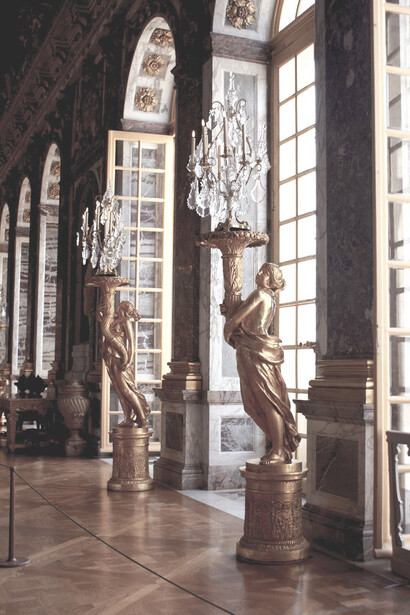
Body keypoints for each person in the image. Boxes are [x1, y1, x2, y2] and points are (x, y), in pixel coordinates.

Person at [223, 263, 300, 464]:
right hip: (253, 349)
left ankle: (278, 450)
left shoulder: (259, 295)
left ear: (269, 278)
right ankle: (278, 444)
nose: (258, 274)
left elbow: (236, 320)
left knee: (267, 401)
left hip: (256, 350)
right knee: (257, 402)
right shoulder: (269, 298)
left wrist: (227, 331)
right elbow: (245, 320)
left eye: (263, 272)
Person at [99, 300, 150, 428]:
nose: (116, 307)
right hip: (110, 356)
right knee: (119, 390)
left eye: (119, 305)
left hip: (119, 358)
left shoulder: (125, 322)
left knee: (126, 389)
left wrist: (129, 360)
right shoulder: (115, 320)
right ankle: (128, 418)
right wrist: (98, 313)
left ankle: (142, 418)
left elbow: (132, 343)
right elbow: (103, 324)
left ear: (122, 309)